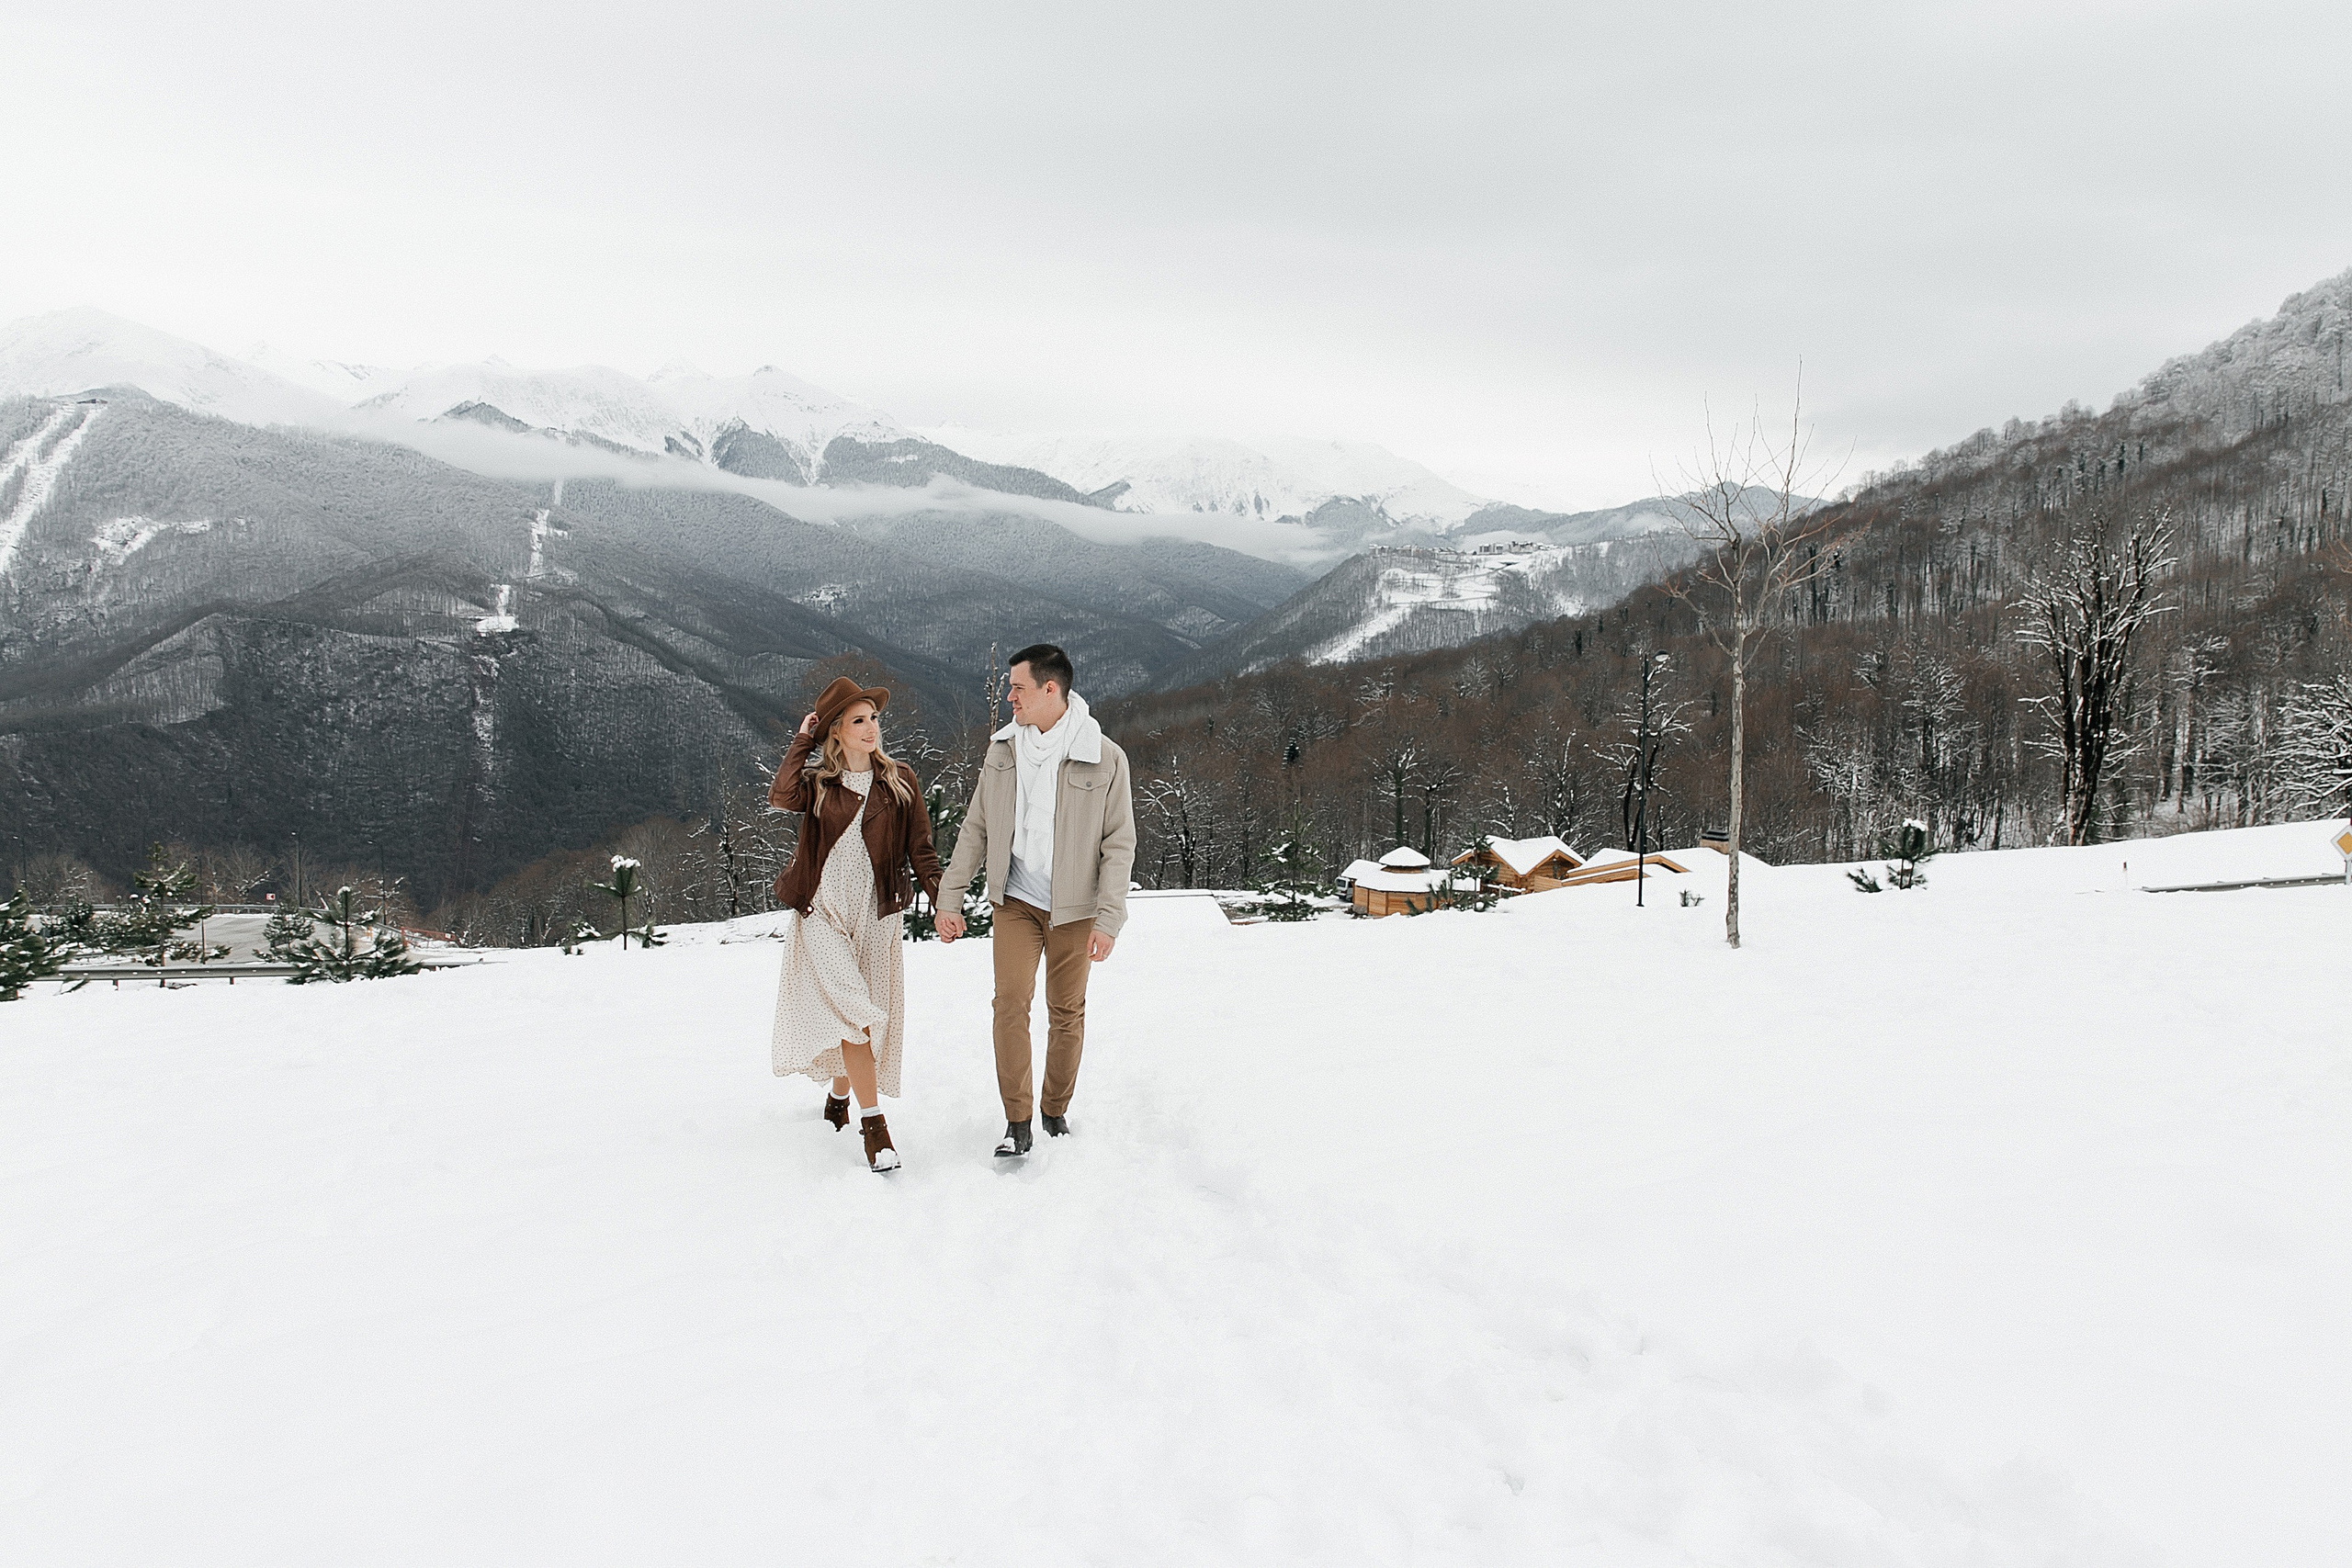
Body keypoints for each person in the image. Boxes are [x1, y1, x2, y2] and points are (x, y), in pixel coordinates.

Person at [936, 644, 1136, 1157]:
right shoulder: (1002, 750)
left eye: (1017, 688)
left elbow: (1119, 842)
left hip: (1076, 909)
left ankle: (1054, 1110)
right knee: (1009, 1006)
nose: (1009, 698)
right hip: (1017, 902)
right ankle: (1017, 1120)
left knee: (1066, 1011)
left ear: (1051, 690)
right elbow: (977, 826)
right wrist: (950, 897)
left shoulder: (1106, 756)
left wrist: (1110, 918)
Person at [769, 675, 942, 1173]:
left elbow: (921, 851)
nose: (871, 729)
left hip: (877, 916)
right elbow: (780, 794)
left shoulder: (900, 780)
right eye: (858, 721)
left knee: (859, 1017)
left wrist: (941, 900)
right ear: (837, 732)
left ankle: (840, 1096)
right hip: (823, 913)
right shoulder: (819, 784)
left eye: (874, 720)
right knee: (853, 1012)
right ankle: (876, 1129)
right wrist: (803, 739)